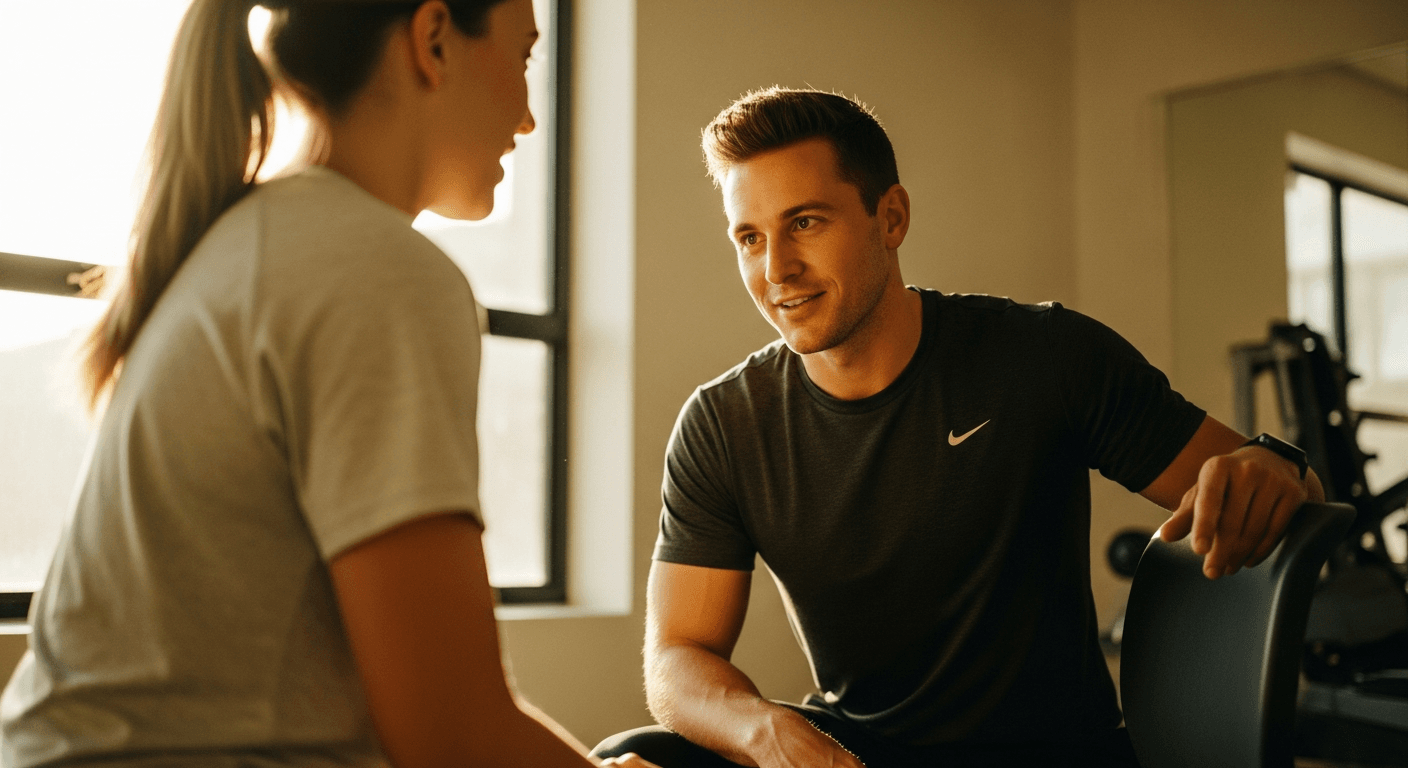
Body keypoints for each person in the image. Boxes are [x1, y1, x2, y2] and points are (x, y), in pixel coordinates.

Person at [0, 2, 654, 767]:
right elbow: (452, 738)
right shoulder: (375, 271)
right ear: (434, 40)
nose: (531, 117)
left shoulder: (250, 240)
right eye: (525, 56)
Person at [590, 88, 1326, 768]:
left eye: (805, 223)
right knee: (632, 755)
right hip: (860, 753)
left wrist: (1276, 466)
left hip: (1053, 757)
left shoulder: (1044, 355)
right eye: (750, 238)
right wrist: (766, 732)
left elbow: (1291, 489)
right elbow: (678, 655)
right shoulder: (723, 423)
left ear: (891, 218)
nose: (777, 268)